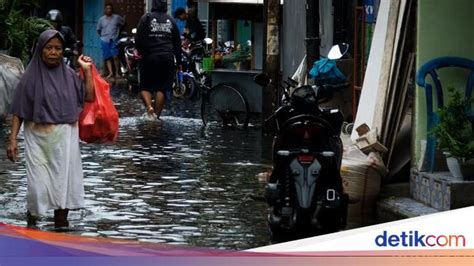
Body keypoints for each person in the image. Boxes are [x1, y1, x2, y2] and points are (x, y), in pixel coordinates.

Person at [6, 29, 95, 229]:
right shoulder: (29, 78)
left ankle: (61, 229)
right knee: (37, 187)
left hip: (65, 138)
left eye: (58, 48)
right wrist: (12, 139)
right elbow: (19, 110)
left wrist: (87, 70)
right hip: (37, 138)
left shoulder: (70, 76)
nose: (54, 52)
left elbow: (89, 96)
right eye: (49, 48)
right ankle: (32, 221)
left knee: (63, 185)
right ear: (40, 50)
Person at [135, 0, 182, 119]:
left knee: (145, 86)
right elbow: (177, 43)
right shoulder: (171, 20)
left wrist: (142, 53)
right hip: (167, 58)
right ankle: (156, 116)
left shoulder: (146, 18)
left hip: (149, 57)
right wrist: (179, 62)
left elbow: (138, 39)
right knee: (163, 88)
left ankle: (149, 107)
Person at [96, 3, 124, 79]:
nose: (109, 10)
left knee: (115, 56)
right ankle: (111, 73)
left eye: (110, 8)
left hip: (114, 39)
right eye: (107, 8)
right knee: (107, 57)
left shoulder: (117, 18)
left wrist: (118, 32)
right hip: (104, 40)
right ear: (105, 10)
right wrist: (102, 36)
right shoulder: (101, 19)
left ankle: (117, 73)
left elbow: (122, 23)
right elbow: (98, 30)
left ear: (112, 10)